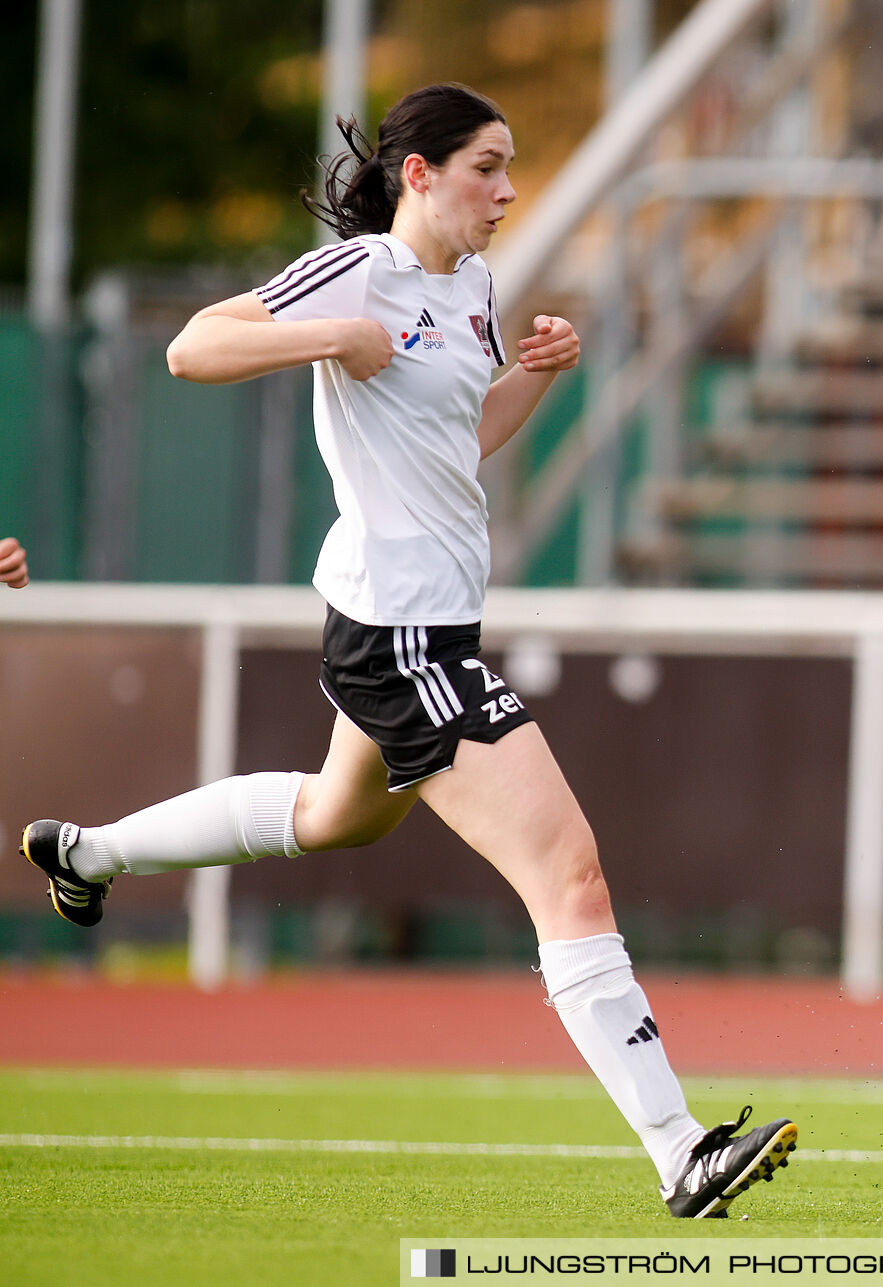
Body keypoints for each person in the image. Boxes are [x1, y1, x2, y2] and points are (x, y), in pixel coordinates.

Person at [18, 83, 796, 1220]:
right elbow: (192, 349)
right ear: (420, 173)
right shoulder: (360, 276)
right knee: (569, 877)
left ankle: (84, 854)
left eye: (512, 164)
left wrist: (534, 374)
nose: (510, 189)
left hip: (417, 625)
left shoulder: (472, 285)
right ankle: (680, 1147)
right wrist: (332, 336)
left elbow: (455, 446)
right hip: (401, 638)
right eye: (488, 165)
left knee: (335, 817)